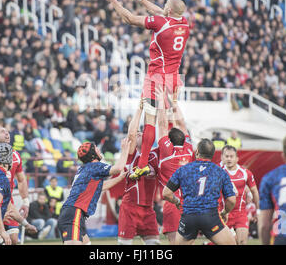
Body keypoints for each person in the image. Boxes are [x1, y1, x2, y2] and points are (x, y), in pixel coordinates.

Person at [100, 0, 190, 180]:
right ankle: (172, 160)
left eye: (165, 6)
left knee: (150, 121)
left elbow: (130, 19)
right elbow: (162, 12)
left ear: (168, 11)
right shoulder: (184, 23)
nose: (162, 9)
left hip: (156, 78)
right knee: (168, 120)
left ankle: (142, 164)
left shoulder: (160, 23)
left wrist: (114, 2)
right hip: (174, 78)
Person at [162, 138, 237, 245]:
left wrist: (177, 202)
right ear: (212, 154)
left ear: (197, 152)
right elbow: (231, 200)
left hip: (189, 217)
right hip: (210, 217)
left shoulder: (183, 169)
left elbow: (166, 193)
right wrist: (225, 212)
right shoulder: (220, 172)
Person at [57, 139, 130, 245]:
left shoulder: (82, 169)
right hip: (74, 213)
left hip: (72, 213)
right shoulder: (94, 166)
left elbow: (101, 187)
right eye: (97, 149)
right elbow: (118, 168)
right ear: (93, 156)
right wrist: (125, 150)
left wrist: (120, 178)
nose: (99, 151)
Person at [153, 87, 195, 243]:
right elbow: (182, 123)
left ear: (169, 141)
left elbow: (162, 124)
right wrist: (174, 102)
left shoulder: (167, 152)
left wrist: (161, 100)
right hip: (190, 203)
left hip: (172, 203)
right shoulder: (189, 150)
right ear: (184, 139)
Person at [117, 99, 160, 245]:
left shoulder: (154, 155)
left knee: (155, 245)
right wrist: (140, 109)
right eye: (139, 132)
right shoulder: (131, 155)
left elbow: (157, 131)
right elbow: (131, 134)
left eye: (143, 132)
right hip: (130, 207)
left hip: (148, 208)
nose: (140, 133)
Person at [0, 126, 30, 244]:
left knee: (14, 240)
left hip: (8, 202)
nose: (7, 134)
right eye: (3, 132)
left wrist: (25, 202)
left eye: (8, 132)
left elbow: (22, 180)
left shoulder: (16, 155)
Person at [220, 145, 259, 245]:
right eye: (226, 156)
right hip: (224, 214)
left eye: (231, 156)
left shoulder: (245, 173)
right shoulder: (218, 173)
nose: (229, 159)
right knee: (229, 243)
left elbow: (254, 191)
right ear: (222, 157)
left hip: (240, 213)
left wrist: (258, 211)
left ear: (237, 158)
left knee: (242, 242)